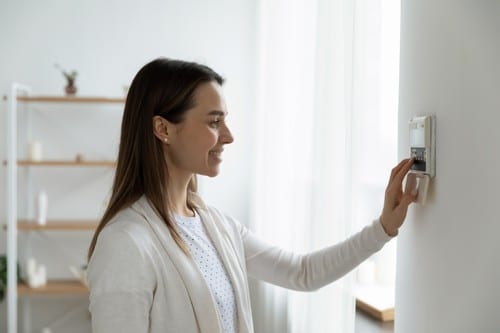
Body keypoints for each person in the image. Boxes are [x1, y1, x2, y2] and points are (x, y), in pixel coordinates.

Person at [87, 58, 416, 333]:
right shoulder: (126, 242)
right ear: (163, 129)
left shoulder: (215, 226)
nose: (228, 136)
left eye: (225, 121)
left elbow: (302, 272)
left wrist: (383, 227)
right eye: (215, 122)